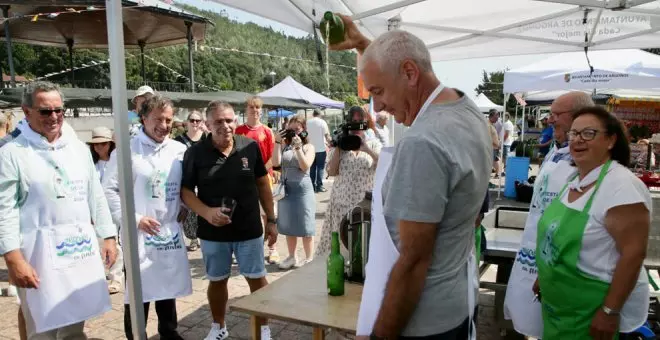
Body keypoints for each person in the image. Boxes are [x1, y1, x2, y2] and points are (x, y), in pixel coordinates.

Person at [330, 16, 491, 339]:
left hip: (422, 323)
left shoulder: (422, 143)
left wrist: (379, 334)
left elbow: (414, 261)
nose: (377, 106)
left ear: (409, 73)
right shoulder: (465, 108)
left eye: (377, 91)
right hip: (456, 301)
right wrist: (365, 45)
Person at [0, 81, 118, 339]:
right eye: (45, 111)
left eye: (59, 110)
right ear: (27, 111)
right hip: (37, 256)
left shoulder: (76, 148)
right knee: (42, 328)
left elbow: (94, 193)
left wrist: (108, 235)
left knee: (74, 325)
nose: (54, 117)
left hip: (77, 252)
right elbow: (3, 209)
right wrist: (13, 258)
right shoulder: (11, 152)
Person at [533, 106, 650, 339]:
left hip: (591, 309)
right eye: (574, 134)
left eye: (588, 133)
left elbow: (633, 254)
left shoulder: (621, 186)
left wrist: (609, 311)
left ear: (610, 140)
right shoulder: (574, 179)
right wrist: (544, 276)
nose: (578, 140)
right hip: (559, 310)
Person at [180, 100, 277, 340]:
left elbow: (263, 184)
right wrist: (206, 212)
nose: (226, 126)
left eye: (229, 120)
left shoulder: (250, 147)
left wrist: (272, 219)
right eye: (219, 121)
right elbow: (186, 192)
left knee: (256, 278)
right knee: (217, 280)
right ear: (208, 124)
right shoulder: (195, 152)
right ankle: (218, 327)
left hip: (248, 227)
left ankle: (264, 329)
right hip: (213, 231)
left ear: (236, 120)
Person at [503, 91, 595, 338]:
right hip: (536, 252)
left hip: (564, 265)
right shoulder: (556, 150)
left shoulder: (590, 161)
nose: (549, 119)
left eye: (556, 114)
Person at [103, 94, 192, 340]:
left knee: (167, 284)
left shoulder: (179, 150)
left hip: (168, 231)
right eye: (158, 119)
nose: (164, 125)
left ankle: (168, 331)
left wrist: (185, 205)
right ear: (143, 118)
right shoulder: (126, 150)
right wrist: (134, 218)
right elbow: (109, 189)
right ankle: (135, 334)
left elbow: (185, 185)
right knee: (138, 290)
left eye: (169, 120)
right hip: (139, 232)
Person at [316, 106, 381, 257]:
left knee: (362, 245)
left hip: (363, 207)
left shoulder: (374, 144)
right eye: (353, 121)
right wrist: (339, 146)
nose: (356, 125)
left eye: (360, 121)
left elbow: (384, 164)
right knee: (340, 248)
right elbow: (331, 172)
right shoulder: (341, 145)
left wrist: (366, 149)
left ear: (366, 123)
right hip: (340, 206)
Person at [235, 96, 279, 263]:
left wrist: (258, 172)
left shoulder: (267, 131)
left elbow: (270, 158)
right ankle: (249, 247)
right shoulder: (239, 131)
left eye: (257, 108)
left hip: (263, 177)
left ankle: (272, 248)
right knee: (245, 212)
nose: (255, 111)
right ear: (246, 110)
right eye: (251, 108)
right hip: (243, 179)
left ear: (261, 111)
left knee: (268, 212)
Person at [272, 116, 317, 268]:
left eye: (297, 129)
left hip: (303, 191)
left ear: (303, 130)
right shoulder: (285, 146)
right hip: (286, 191)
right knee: (289, 224)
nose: (294, 133)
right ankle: (292, 257)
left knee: (305, 225)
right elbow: (276, 163)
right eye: (291, 130)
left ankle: (309, 258)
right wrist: (277, 142)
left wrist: (298, 148)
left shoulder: (308, 147)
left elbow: (305, 166)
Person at [87, 126, 124, 295]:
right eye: (96, 144)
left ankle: (116, 276)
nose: (99, 147)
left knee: (115, 242)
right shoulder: (89, 163)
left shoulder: (117, 161)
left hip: (115, 208)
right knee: (97, 244)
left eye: (103, 143)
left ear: (110, 144)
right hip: (96, 210)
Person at [175, 111, 206, 252]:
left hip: (204, 179)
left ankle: (204, 236)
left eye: (198, 121)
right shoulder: (178, 140)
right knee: (190, 211)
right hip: (186, 179)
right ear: (187, 122)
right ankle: (193, 237)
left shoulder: (207, 138)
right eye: (192, 120)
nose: (195, 123)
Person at [305, 109, 331, 193]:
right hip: (320, 149)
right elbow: (327, 135)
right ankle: (319, 186)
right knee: (320, 167)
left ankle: (312, 186)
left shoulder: (308, 122)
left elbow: (304, 134)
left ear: (313, 114)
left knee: (312, 168)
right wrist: (330, 142)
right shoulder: (322, 122)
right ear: (319, 114)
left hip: (310, 149)